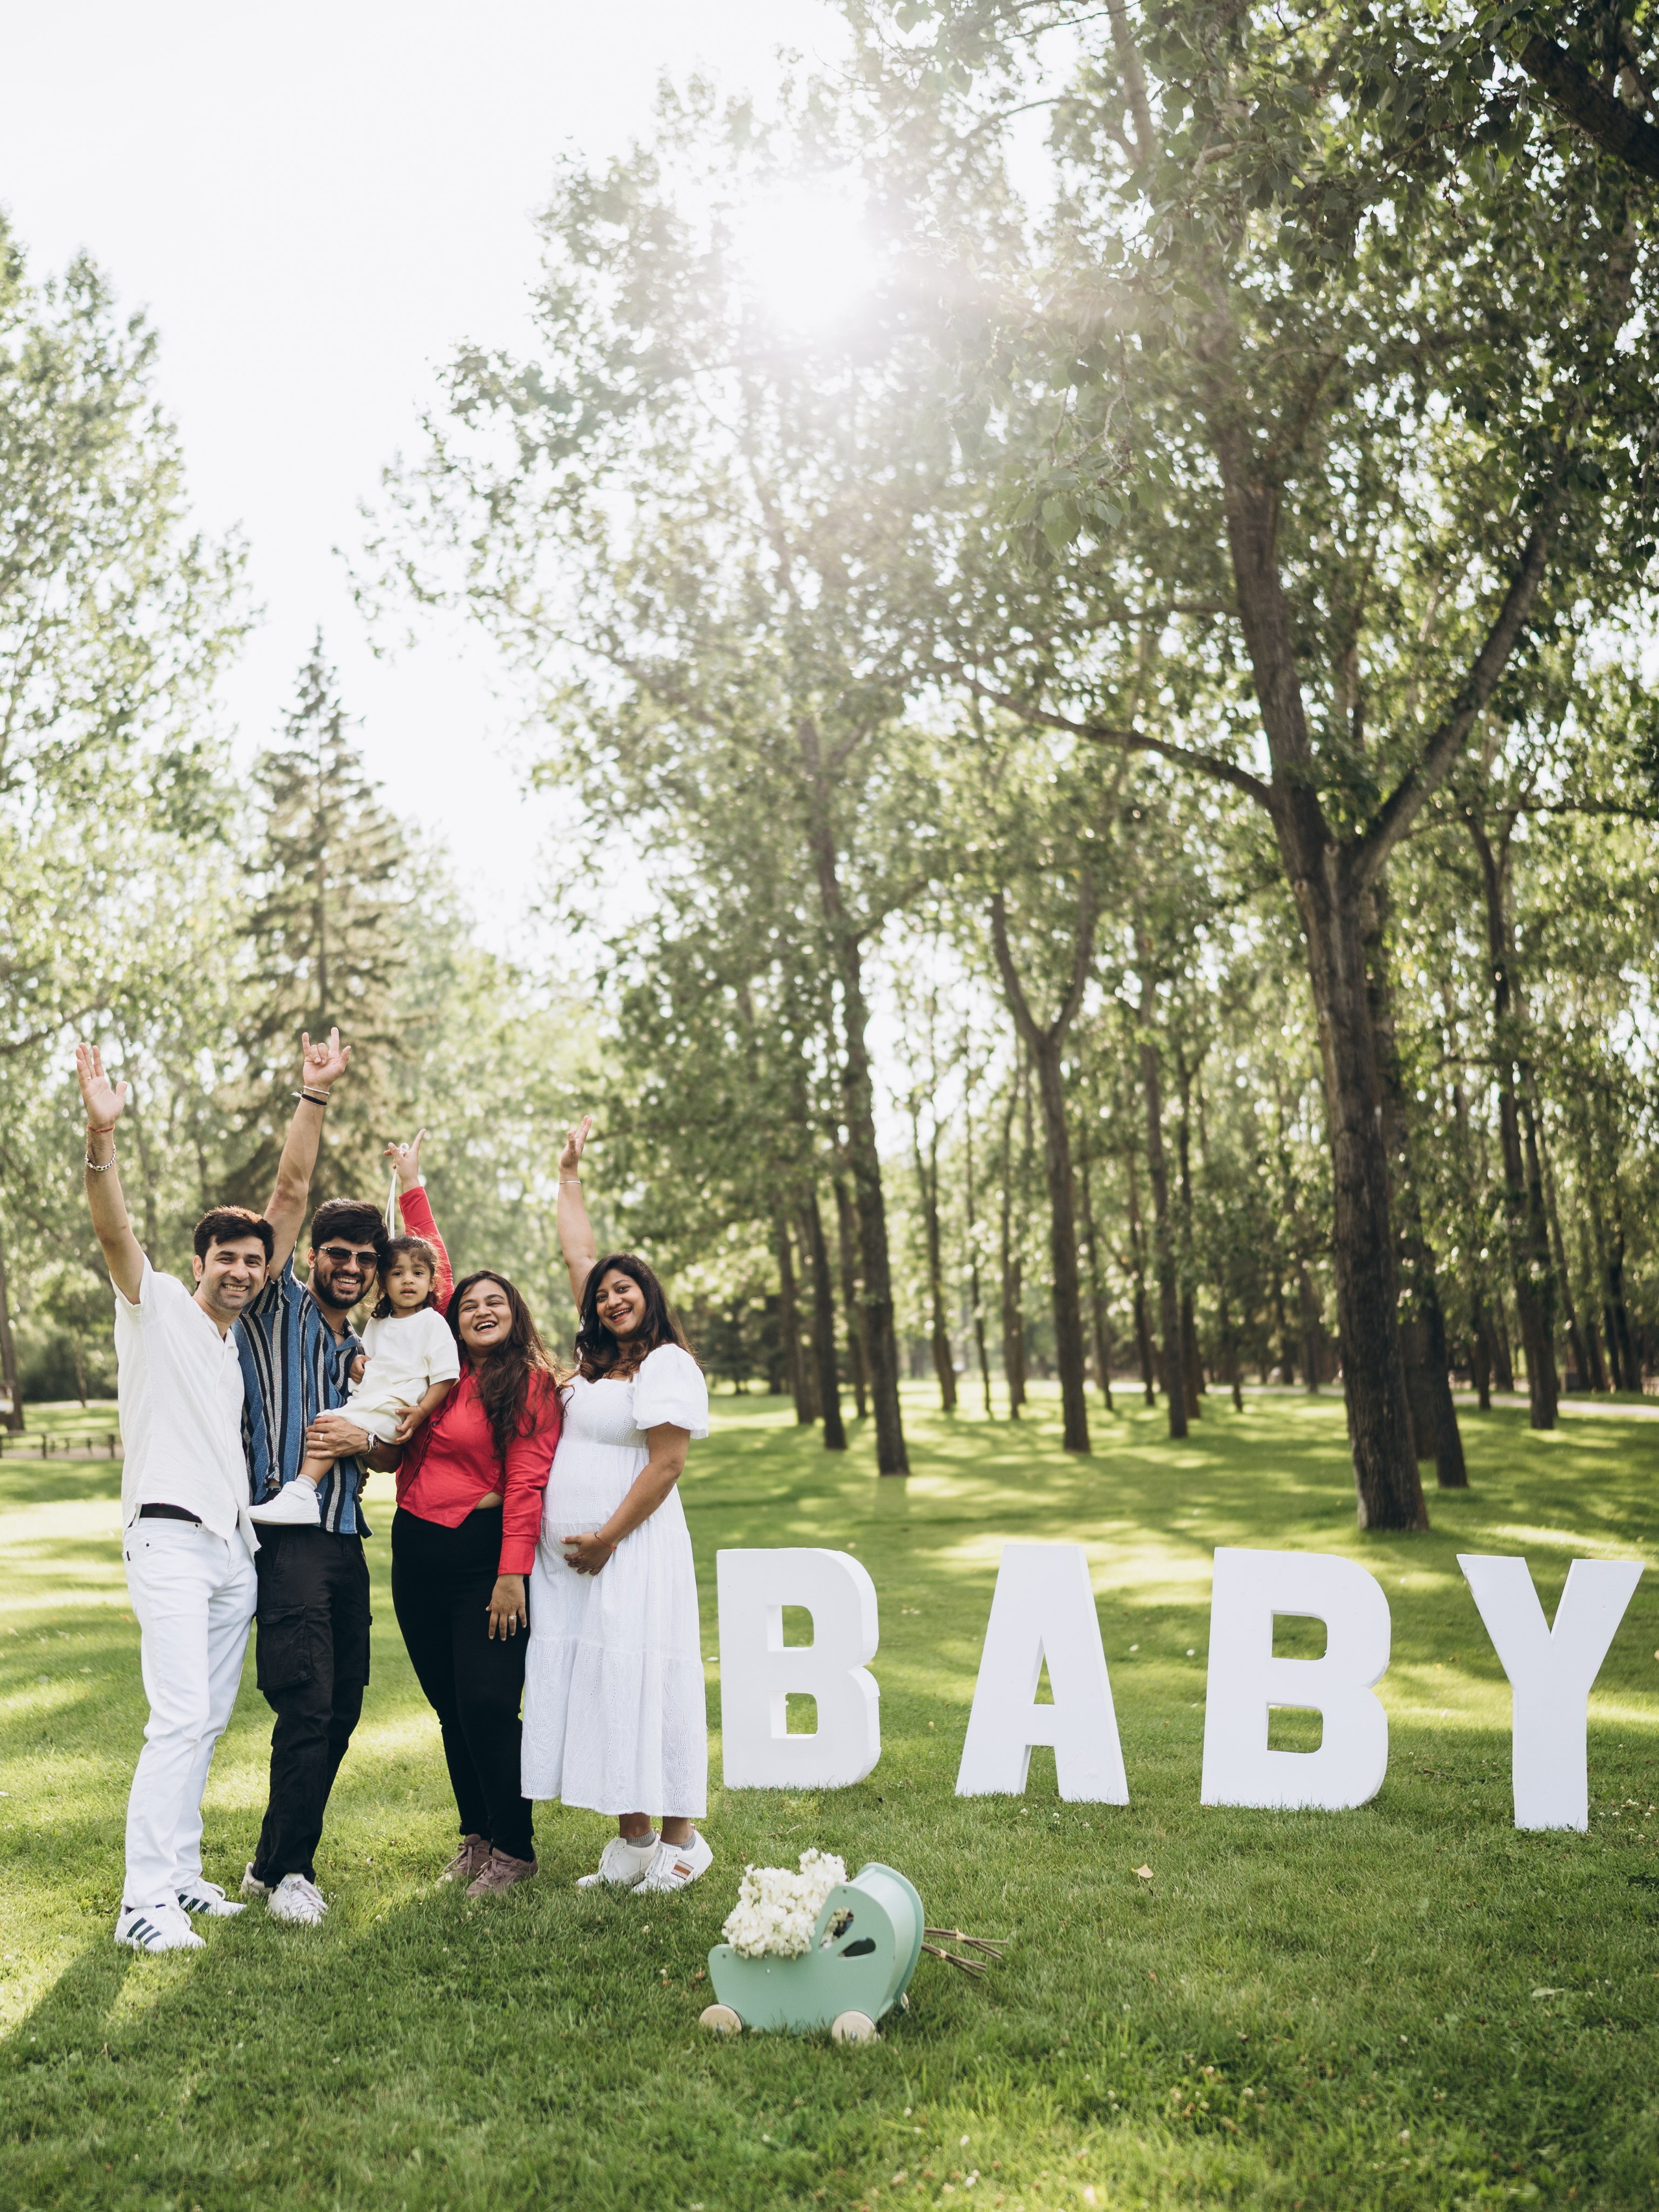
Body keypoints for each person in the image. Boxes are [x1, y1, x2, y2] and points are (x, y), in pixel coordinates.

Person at [75, 1032, 345, 1953]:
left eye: (252, 1261)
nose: (239, 1270)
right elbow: (114, 1230)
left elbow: (292, 1198)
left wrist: (312, 1098)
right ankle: (141, 1902)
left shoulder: (237, 1344)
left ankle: (182, 1876)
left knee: (210, 1718)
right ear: (199, 1263)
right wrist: (99, 1138)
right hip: (168, 1539)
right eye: (224, 1258)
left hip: (234, 1549)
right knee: (179, 1714)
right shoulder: (153, 1311)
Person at [236, 1119, 443, 1926]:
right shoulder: (276, 1308)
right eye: (341, 1255)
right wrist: (315, 1094)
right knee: (307, 1703)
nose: (353, 1269)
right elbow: (286, 1193)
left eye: (367, 1260)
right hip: (288, 1542)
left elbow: (386, 1459)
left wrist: (371, 1431)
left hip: (345, 1538)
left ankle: (266, 1862)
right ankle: (292, 1871)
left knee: (346, 1704)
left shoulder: (364, 1345)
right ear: (313, 1256)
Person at [521, 1115, 713, 1893]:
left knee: (647, 1676)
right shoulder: (597, 1363)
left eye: (624, 1287)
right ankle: (632, 1840)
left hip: (630, 1550)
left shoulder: (667, 1363)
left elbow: (666, 1465)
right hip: (573, 1565)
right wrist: (568, 1173)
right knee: (602, 1683)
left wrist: (603, 1537)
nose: (610, 1297)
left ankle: (682, 1840)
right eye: (602, 1293)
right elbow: (576, 1251)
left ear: (650, 1295)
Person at [375, 1270, 559, 1896]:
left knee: (486, 1703)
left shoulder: (529, 1383)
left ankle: (516, 1847)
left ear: (515, 1312)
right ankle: (477, 1837)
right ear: (450, 1318)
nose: (481, 1311)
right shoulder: (439, 1378)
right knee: (450, 1707)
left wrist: (513, 1573)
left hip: (485, 1559)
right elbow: (428, 1270)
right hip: (416, 1549)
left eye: (495, 1302)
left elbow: (528, 1482)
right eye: (469, 1305)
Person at [252, 1226, 459, 1526]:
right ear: (384, 1282)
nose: (408, 1280)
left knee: (329, 1426)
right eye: (398, 1274)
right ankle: (329, 1492)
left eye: (418, 1273)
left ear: (431, 1281)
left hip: (396, 1406)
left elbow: (446, 1375)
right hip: (372, 1399)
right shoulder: (377, 1324)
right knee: (333, 1426)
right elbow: (370, 1361)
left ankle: (301, 1492)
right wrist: (359, 1363)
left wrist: (421, 1412)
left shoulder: (432, 1322)